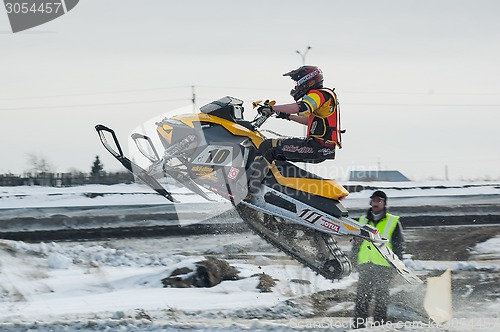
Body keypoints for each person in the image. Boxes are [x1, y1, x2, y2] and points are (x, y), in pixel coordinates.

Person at [248, 65, 343, 192]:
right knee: (275, 150)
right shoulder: (324, 98)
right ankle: (269, 187)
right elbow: (308, 121)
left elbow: (300, 107)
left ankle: (249, 189)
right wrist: (286, 116)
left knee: (268, 146)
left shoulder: (319, 94)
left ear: (308, 81)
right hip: (320, 148)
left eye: (297, 82)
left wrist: (273, 108)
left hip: (317, 147)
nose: (296, 87)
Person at [351, 190, 405, 329]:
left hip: (384, 267)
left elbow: (399, 246)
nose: (376, 203)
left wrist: (397, 265)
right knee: (362, 299)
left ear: (384, 203)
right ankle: (358, 327)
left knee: (381, 299)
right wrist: (354, 260)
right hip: (365, 266)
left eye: (379, 200)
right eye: (374, 200)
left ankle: (379, 327)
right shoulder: (362, 221)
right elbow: (356, 244)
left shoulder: (393, 221)